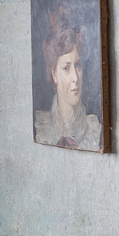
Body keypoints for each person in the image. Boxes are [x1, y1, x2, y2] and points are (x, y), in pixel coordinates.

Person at [34, 12, 101, 149]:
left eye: (78, 65)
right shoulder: (40, 127)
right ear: (54, 74)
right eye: (66, 68)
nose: (75, 77)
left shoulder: (95, 131)